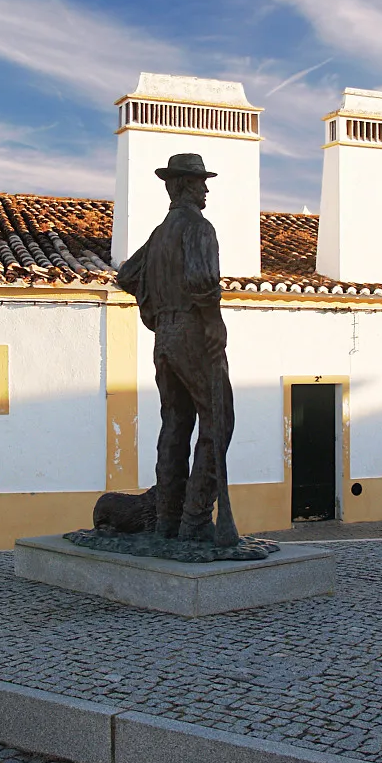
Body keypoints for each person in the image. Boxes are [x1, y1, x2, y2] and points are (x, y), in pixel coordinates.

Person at [116, 153, 234, 542]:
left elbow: (127, 276)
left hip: (164, 338)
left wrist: (154, 311)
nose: (206, 189)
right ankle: (196, 520)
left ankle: (167, 520)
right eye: (200, 182)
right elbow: (203, 279)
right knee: (218, 420)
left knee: (175, 423)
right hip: (193, 330)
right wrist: (213, 321)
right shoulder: (198, 228)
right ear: (184, 185)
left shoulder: (157, 236)